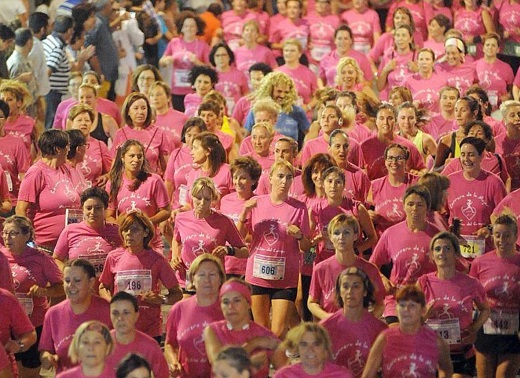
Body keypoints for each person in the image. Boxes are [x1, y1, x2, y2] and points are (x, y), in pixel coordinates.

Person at [237, 160, 310, 337]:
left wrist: (300, 236)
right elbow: (238, 237)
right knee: (261, 330)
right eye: (280, 176)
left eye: (288, 177)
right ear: (270, 178)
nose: (284, 181)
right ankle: (266, 364)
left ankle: (276, 362)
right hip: (258, 274)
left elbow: (307, 246)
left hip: (285, 278)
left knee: (277, 332)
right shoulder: (256, 203)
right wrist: (244, 213)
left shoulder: (299, 208)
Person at [99, 211, 182, 341]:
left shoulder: (157, 259)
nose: (128, 233)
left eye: (135, 230)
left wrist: (161, 299)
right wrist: (112, 302)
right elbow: (103, 286)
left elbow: (177, 294)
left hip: (150, 330)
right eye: (125, 229)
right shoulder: (114, 256)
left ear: (145, 232)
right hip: (121, 326)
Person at [418, 231, 490, 378]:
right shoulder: (423, 282)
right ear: (432, 255)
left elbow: (485, 309)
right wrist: (424, 316)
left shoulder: (471, 283)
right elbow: (411, 321)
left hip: (461, 352)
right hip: (431, 352)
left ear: (456, 254)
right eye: (437, 249)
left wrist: (474, 328)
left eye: (447, 248)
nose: (442, 253)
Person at [1, 215, 63, 378]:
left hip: (33, 324)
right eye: (5, 233)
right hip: (7, 325)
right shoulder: (1, 257)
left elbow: (62, 287)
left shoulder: (40, 258)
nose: (7, 238)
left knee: (29, 373)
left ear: (27, 234)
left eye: (13, 233)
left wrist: (44, 291)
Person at [369, 185, 440, 323]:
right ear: (403, 206)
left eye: (420, 205)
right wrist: (382, 279)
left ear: (427, 207)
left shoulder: (437, 236)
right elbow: (372, 265)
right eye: (410, 204)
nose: (414, 209)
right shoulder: (391, 233)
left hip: (426, 300)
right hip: (397, 300)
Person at [172, 177, 248, 289]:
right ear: (191, 197)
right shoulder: (181, 218)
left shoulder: (223, 221)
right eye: (198, 198)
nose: (202, 203)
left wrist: (228, 250)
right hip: (186, 278)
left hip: (212, 280)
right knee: (186, 305)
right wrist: (175, 257)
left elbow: (245, 251)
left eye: (207, 199)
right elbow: (176, 239)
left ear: (212, 199)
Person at [362, 286, 453, 377]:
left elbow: (446, 370)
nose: (406, 310)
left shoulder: (437, 342)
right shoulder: (385, 339)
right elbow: (368, 375)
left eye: (412, 306)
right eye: (402, 305)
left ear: (423, 310)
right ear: (396, 310)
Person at [469, 214, 520, 378]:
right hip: (486, 327)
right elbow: (471, 295)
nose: (501, 240)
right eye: (497, 235)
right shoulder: (480, 262)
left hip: (514, 330)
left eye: (507, 235)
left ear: (516, 236)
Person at [39, 259, 111, 373]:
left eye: (77, 280)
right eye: (67, 281)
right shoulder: (53, 314)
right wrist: (47, 358)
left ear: (91, 282)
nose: (71, 286)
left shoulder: (108, 310)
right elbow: (45, 350)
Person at [308, 211, 384, 320]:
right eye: (336, 233)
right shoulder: (320, 269)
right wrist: (329, 318)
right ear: (330, 237)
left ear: (355, 236)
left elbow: (380, 303)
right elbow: (312, 302)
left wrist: (366, 321)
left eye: (346, 232)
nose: (341, 237)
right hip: (331, 328)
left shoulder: (369, 269)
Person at [16, 130, 81, 252]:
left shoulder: (64, 169)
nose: (69, 150)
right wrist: (28, 240)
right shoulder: (36, 172)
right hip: (43, 247)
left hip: (69, 244)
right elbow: (20, 209)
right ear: (57, 150)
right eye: (67, 146)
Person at [204, 279, 282, 377]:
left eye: (237, 300)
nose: (231, 306)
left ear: (248, 304)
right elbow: (218, 363)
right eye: (225, 302)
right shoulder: (213, 330)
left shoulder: (264, 334)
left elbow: (286, 371)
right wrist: (254, 344)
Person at [164, 253, 226, 377]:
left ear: (221, 278)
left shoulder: (229, 309)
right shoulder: (179, 309)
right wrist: (173, 362)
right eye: (201, 275)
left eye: (212, 275)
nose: (207, 280)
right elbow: (169, 344)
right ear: (192, 279)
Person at [321, 267, 388, 377]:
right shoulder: (325, 327)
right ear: (339, 291)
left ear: (365, 291)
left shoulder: (380, 329)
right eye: (345, 286)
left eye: (356, 286)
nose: (350, 291)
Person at [446, 137, 507, 257]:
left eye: (471, 155)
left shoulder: (494, 182)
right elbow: (441, 213)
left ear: (481, 156)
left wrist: (489, 229)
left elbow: (505, 217)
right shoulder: (450, 181)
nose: (466, 159)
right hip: (455, 250)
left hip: (486, 250)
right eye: (463, 155)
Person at [106, 139, 170, 248]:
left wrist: (146, 222)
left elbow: (166, 211)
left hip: (151, 244)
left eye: (139, 156)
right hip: (126, 243)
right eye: (131, 156)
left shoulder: (154, 180)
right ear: (122, 157)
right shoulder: (113, 182)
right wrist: (122, 226)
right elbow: (109, 215)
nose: (136, 160)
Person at [309, 166, 377, 264]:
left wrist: (356, 250)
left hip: (351, 263)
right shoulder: (315, 210)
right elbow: (307, 244)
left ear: (344, 185)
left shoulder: (356, 208)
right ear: (323, 184)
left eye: (338, 182)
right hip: (324, 263)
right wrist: (315, 241)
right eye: (329, 181)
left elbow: (372, 237)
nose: (333, 186)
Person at [54, 187, 122, 276]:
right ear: (82, 209)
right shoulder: (70, 231)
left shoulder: (117, 231)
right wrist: (70, 273)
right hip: (79, 287)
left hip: (108, 287)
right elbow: (56, 259)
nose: (93, 212)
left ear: (105, 209)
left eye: (98, 208)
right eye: (88, 208)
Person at [107, 291, 169, 378]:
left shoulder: (150, 347)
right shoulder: (101, 344)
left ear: (136, 315)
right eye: (115, 313)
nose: (120, 318)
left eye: (126, 313)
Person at [243, 71, 310, 149]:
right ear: (270, 90)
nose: (282, 95)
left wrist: (302, 153)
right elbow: (246, 137)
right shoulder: (258, 110)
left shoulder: (297, 111)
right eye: (279, 91)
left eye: (286, 92)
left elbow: (309, 134)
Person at [159, 10, 209, 112]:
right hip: (176, 89)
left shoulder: (202, 45)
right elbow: (161, 62)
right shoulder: (174, 42)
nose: (189, 29)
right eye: (186, 26)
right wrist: (168, 60)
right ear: (181, 28)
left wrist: (197, 62)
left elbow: (210, 68)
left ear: (197, 28)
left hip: (196, 90)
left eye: (192, 26)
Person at [360, 103, 426, 181]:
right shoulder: (364, 146)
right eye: (381, 118)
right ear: (376, 121)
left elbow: (423, 170)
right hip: (373, 192)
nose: (385, 122)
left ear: (395, 121)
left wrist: (418, 174)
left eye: (390, 118)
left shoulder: (408, 146)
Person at [221, 157, 262, 277]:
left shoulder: (258, 203)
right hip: (225, 264)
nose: (237, 182)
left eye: (243, 178)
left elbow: (244, 237)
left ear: (253, 180)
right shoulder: (225, 200)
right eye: (235, 177)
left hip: (245, 266)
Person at [112, 92, 170, 173]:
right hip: (125, 183)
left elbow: (166, 168)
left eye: (143, 108)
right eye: (136, 108)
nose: (140, 112)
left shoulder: (159, 133)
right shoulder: (120, 133)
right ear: (128, 111)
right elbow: (114, 167)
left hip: (151, 182)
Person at [368, 144, 419, 235]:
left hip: (409, 237)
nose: (394, 162)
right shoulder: (375, 186)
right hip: (382, 240)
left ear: (406, 161)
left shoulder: (417, 182)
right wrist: (370, 214)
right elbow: (368, 210)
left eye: (399, 158)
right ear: (385, 161)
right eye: (390, 158)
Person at [274, 322, 354, 377]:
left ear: (325, 348)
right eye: (304, 344)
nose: (310, 349)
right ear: (297, 348)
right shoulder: (283, 375)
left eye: (316, 344)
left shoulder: (341, 375)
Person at [66, 104, 112, 187]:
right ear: (71, 123)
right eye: (79, 120)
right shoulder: (64, 145)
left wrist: (106, 176)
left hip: (94, 194)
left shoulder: (100, 145)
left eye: (87, 120)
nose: (84, 123)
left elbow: (111, 171)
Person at [42, 15, 74, 129]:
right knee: (51, 122)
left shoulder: (47, 40)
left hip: (49, 91)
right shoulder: (58, 48)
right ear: (69, 30)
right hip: (52, 92)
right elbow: (49, 70)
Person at [319, 24, 373, 89]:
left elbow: (369, 83)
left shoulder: (361, 58)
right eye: (339, 38)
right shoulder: (326, 58)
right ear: (335, 40)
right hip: (331, 96)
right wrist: (322, 88)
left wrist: (356, 88)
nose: (342, 42)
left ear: (351, 41)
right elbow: (320, 79)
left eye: (346, 38)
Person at [435, 96, 482, 170]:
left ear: (475, 113)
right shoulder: (446, 141)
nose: (458, 115)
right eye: (456, 110)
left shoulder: (484, 138)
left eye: (463, 110)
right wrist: (446, 166)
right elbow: (435, 170)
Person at [184, 131, 233, 202]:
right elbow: (188, 205)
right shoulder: (193, 173)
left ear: (207, 151)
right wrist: (180, 211)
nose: (191, 152)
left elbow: (236, 201)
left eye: (195, 148)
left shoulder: (228, 171)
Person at [0, 98, 29, 212]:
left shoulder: (16, 143)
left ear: (6, 119)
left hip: (11, 203)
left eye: (1, 116)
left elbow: (24, 174)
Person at [276, 39, 317, 114]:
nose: (289, 53)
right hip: (281, 116)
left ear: (299, 54)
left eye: (292, 51)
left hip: (303, 117)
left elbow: (317, 96)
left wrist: (308, 107)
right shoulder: (275, 73)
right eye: (286, 50)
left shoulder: (309, 73)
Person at [376, 24, 417, 100]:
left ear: (410, 39)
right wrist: (385, 70)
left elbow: (425, 82)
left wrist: (417, 70)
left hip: (410, 100)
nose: (400, 38)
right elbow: (379, 87)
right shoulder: (388, 55)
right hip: (391, 100)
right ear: (394, 38)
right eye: (398, 35)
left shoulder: (417, 56)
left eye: (404, 35)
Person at [475, 33, 514, 110]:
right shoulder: (474, 66)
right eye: (487, 45)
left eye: (493, 45)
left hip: (500, 109)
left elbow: (512, 89)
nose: (490, 48)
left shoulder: (506, 67)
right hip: (479, 109)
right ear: (483, 48)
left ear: (498, 49)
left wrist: (507, 97)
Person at [0, 79, 37, 158]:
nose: (5, 103)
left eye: (9, 100)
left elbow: (41, 150)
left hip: (24, 168)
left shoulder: (29, 123)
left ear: (19, 103)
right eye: (2, 100)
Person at [210, 42, 248, 115]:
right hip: (214, 114)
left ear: (229, 56)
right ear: (213, 58)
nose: (221, 58)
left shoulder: (239, 74)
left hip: (236, 113)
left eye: (224, 55)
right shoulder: (209, 74)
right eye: (217, 55)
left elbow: (246, 94)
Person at [403, 48, 445, 113]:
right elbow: (400, 105)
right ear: (417, 62)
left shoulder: (442, 81)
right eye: (421, 59)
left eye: (427, 59)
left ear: (433, 62)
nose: (424, 62)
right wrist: (411, 106)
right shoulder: (408, 81)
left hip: (436, 121)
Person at [149, 80, 188, 150]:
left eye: (158, 94)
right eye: (152, 95)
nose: (155, 98)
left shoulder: (182, 118)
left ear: (168, 97)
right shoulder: (147, 120)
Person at [495, 100, 520, 192]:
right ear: (504, 120)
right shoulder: (496, 143)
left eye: (519, 114)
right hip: (504, 191)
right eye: (512, 115)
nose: (517, 118)